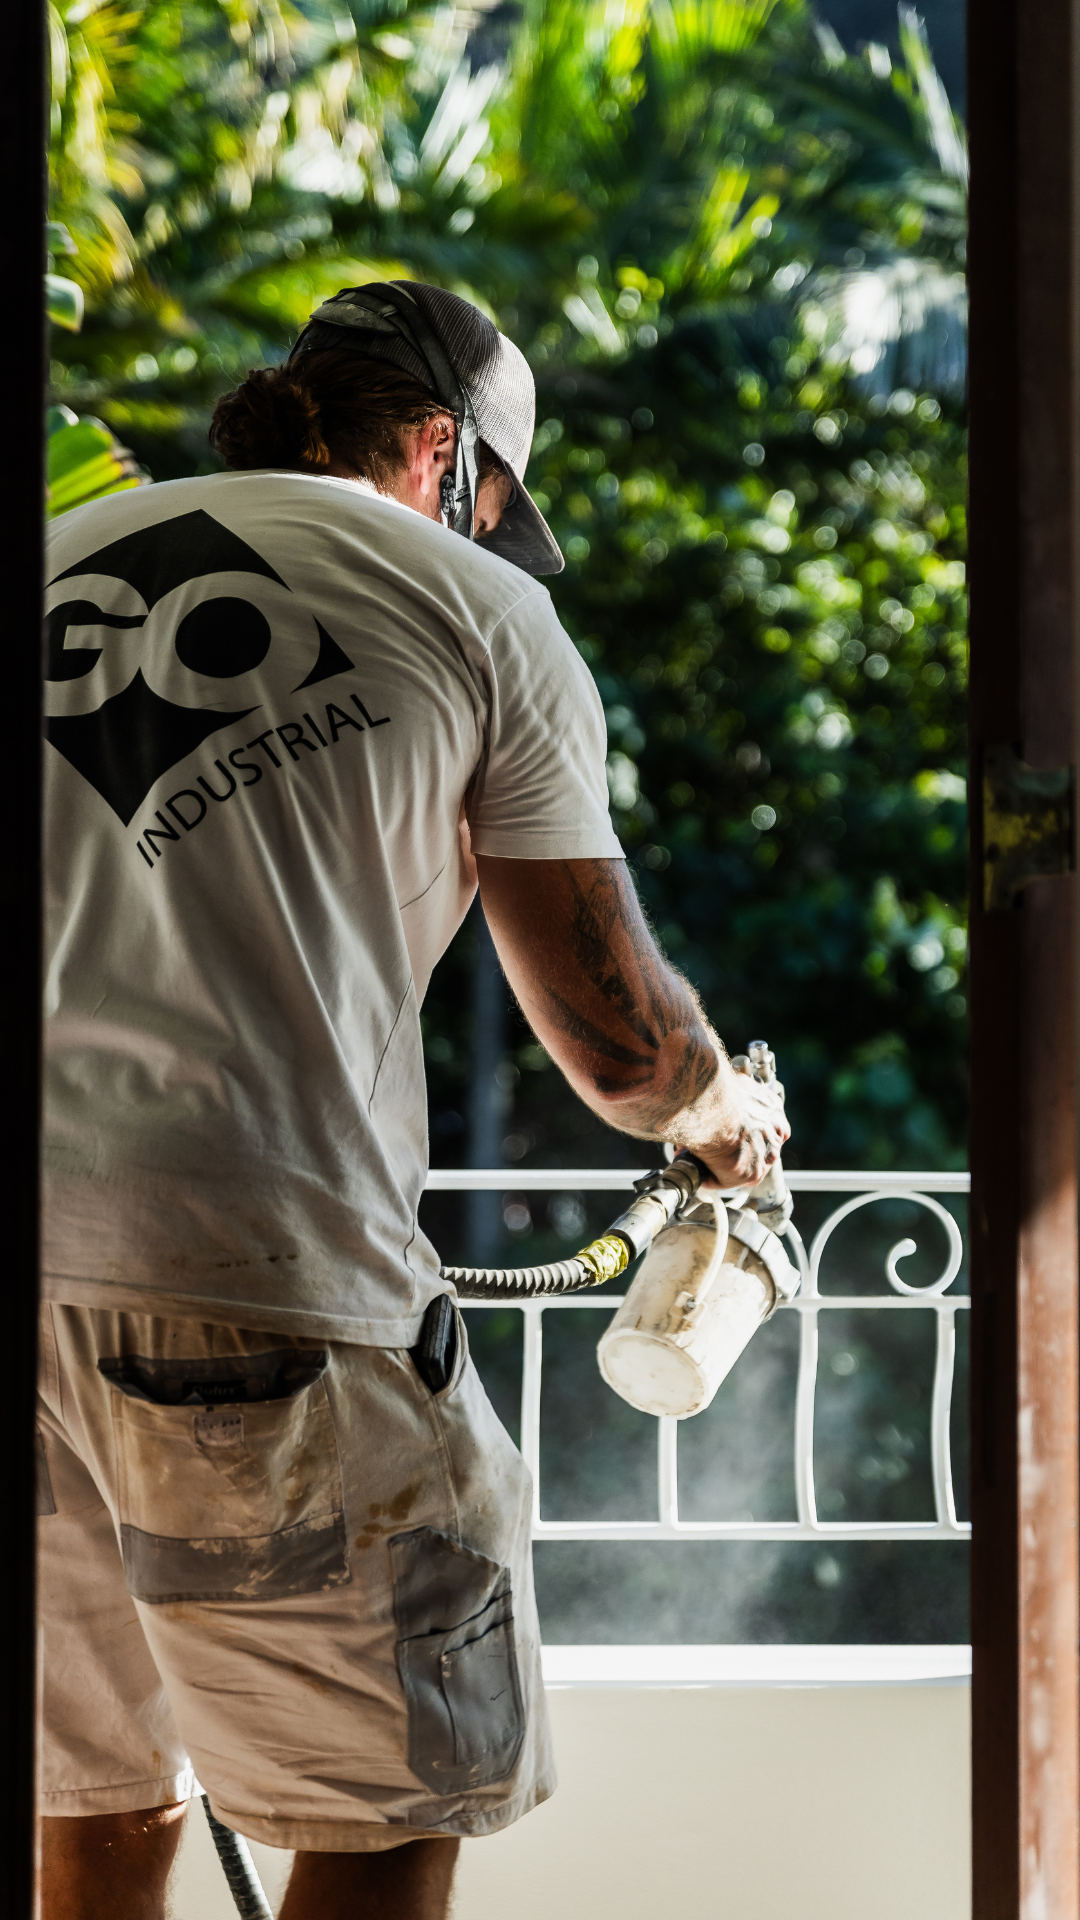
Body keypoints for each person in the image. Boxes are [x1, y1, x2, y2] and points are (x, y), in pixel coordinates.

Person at [39, 281, 789, 1919]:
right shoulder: (471, 609)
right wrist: (718, 1113)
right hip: (255, 1283)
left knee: (99, 1811)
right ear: (443, 447)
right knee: (387, 1820)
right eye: (499, 502)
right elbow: (614, 1046)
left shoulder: (62, 560)